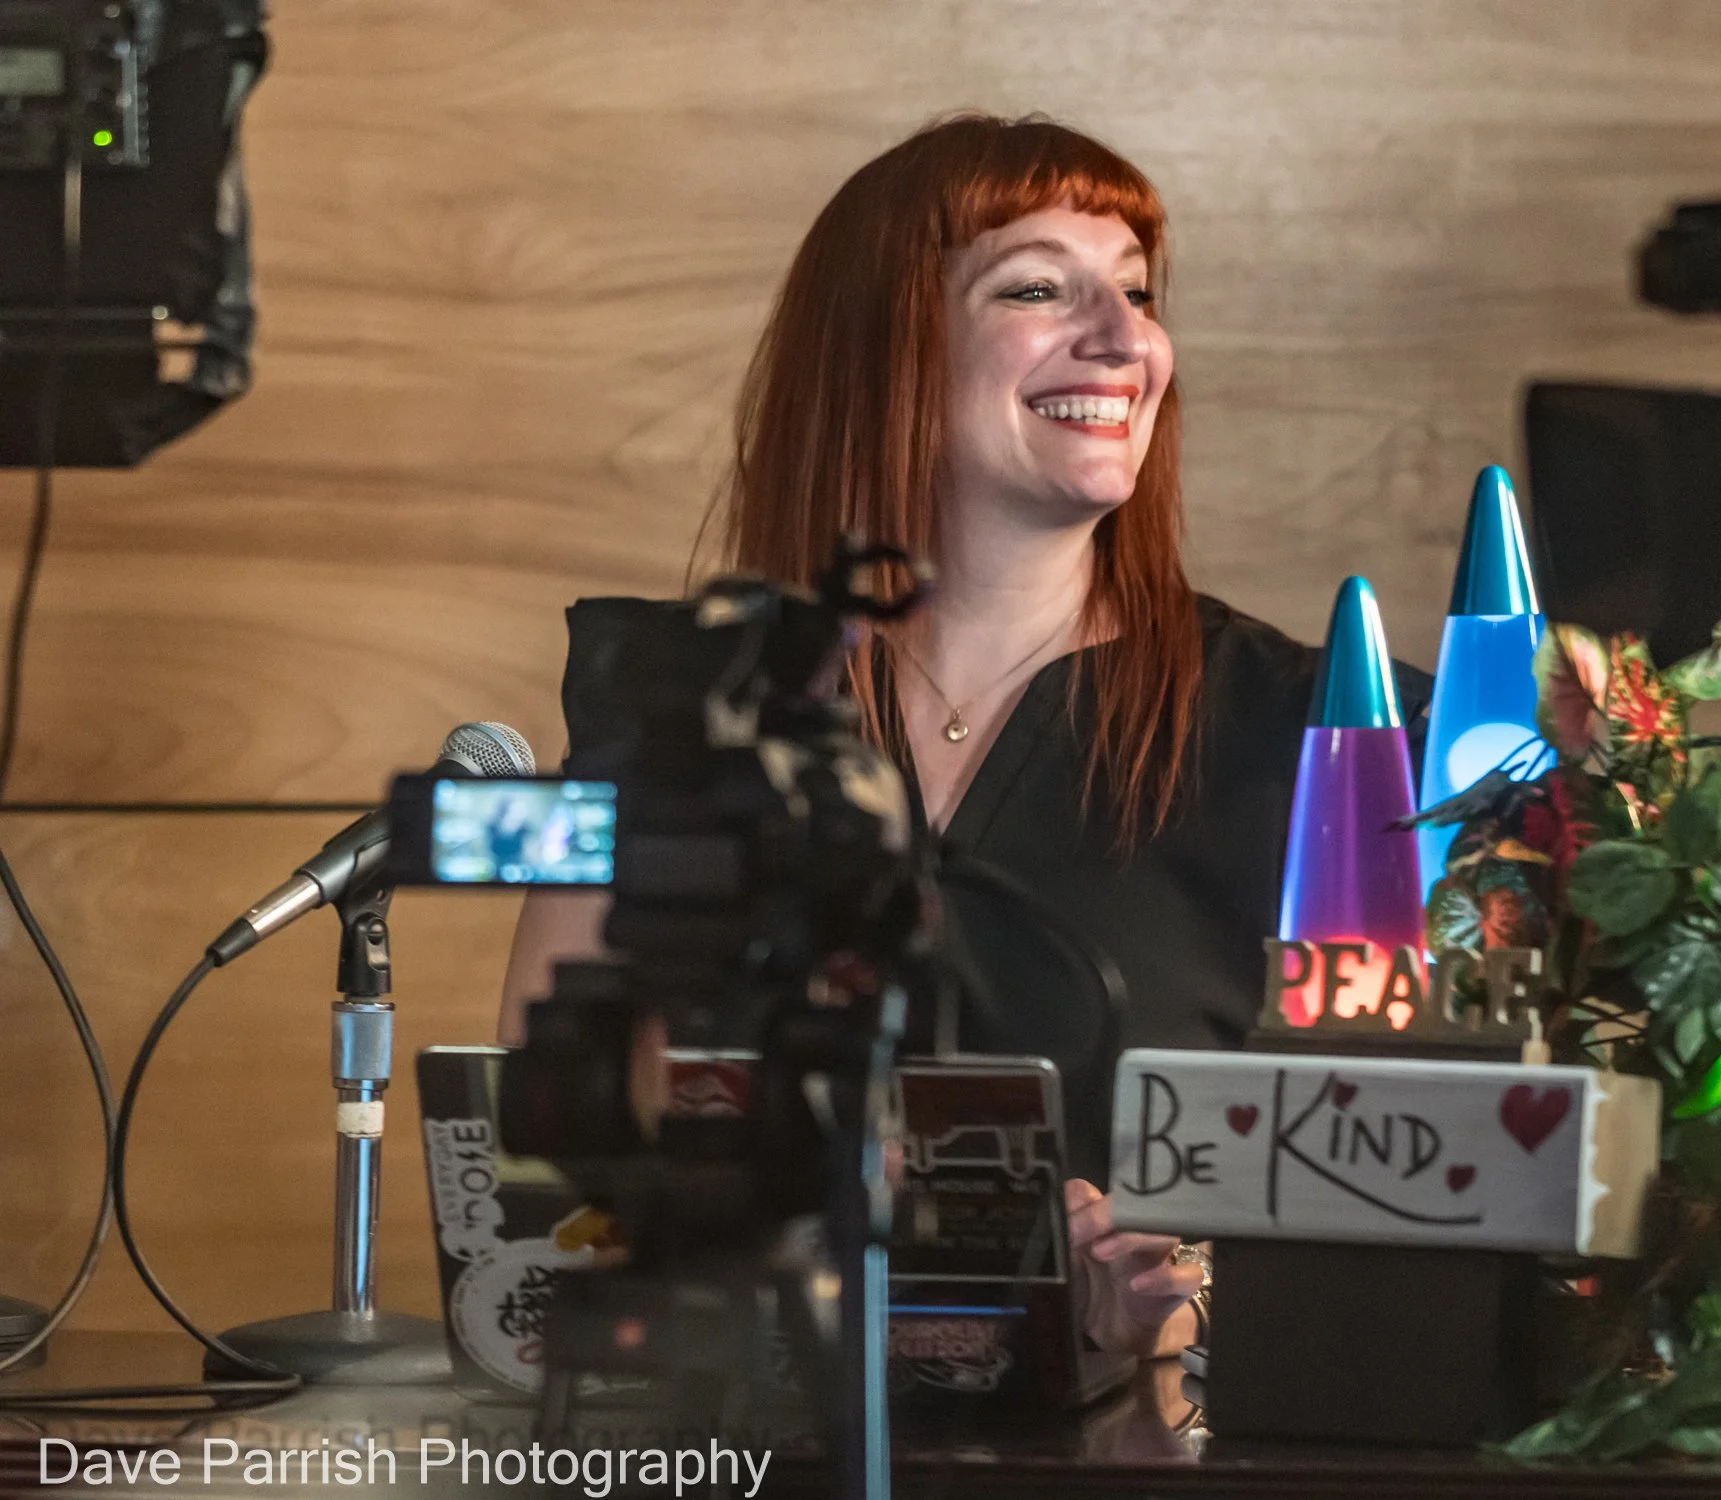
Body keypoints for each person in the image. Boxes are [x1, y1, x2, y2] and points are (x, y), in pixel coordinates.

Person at [499, 114, 1429, 1361]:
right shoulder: (688, 706)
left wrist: (1178, 1293)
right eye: (1040, 286)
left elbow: (1416, 1202)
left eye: (1139, 293)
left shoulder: (1334, 743)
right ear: (884, 350)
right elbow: (556, 1148)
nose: (1124, 340)